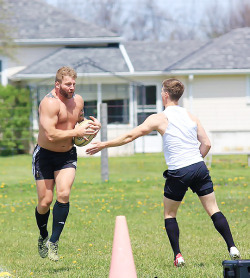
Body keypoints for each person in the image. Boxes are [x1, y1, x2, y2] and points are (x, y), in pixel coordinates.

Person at [86, 78, 241, 267]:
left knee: (170, 214)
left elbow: (130, 135)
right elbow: (207, 143)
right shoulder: (191, 116)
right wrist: (194, 162)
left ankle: (178, 256)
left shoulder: (159, 118)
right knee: (213, 209)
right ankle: (232, 247)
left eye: (161, 91)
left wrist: (104, 144)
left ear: (166, 94)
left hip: (178, 171)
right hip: (199, 167)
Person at [32, 66, 101, 262]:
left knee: (64, 193)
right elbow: (50, 134)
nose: (72, 87)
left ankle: (54, 241)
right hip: (44, 156)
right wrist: (76, 133)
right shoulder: (49, 103)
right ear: (57, 84)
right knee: (45, 202)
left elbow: (79, 123)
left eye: (74, 84)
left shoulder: (78, 101)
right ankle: (43, 234)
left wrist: (93, 128)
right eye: (68, 84)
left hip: (66, 155)